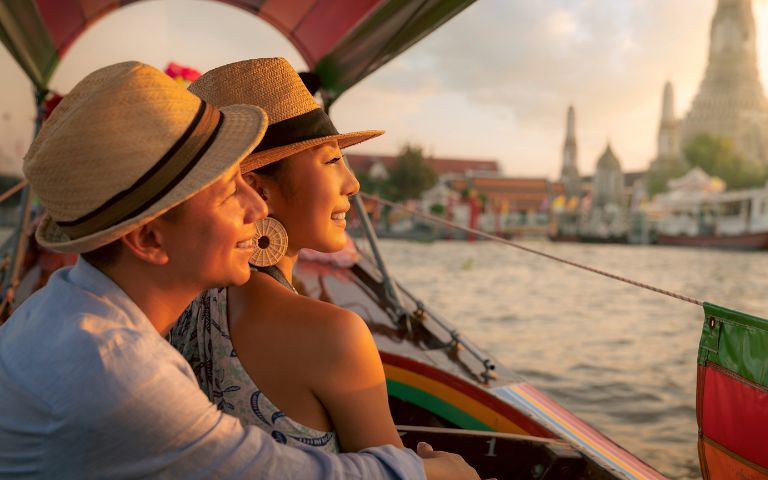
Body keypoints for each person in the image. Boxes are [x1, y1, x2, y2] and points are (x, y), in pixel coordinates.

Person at [0, 61, 477, 479]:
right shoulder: (120, 375)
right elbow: (282, 473)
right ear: (148, 240)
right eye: (231, 188)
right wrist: (435, 472)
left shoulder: (58, 310)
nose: (255, 205)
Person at [169, 56, 409, 455]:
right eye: (332, 160)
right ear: (258, 190)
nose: (352, 183)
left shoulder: (179, 303)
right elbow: (396, 472)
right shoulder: (334, 335)